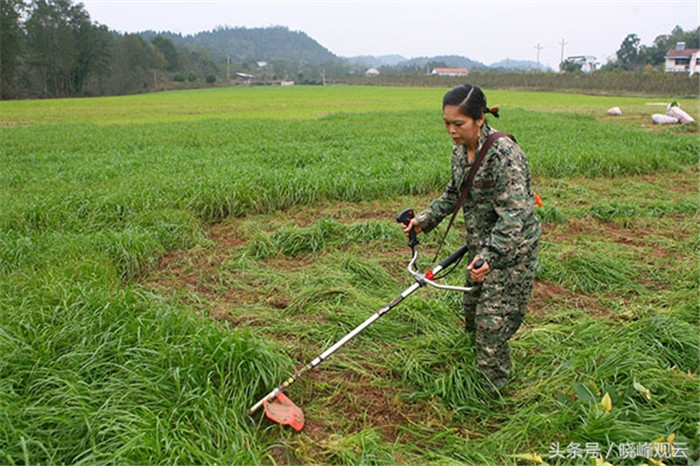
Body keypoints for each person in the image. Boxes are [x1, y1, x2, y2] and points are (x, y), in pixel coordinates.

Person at [402, 84, 541, 393]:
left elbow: (514, 215)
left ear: (479, 119)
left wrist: (490, 257)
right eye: (446, 123)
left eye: (458, 124)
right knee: (472, 309)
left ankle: (492, 393)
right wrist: (423, 221)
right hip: (481, 244)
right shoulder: (459, 152)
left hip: (511, 249)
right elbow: (454, 193)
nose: (451, 131)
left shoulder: (505, 155)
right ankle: (473, 362)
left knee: (493, 322)